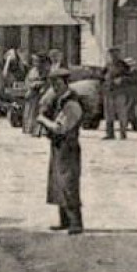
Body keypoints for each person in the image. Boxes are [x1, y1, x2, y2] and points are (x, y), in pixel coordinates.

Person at [37, 68, 86, 233]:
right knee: (58, 182)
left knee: (69, 183)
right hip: (59, 146)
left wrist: (42, 119)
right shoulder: (59, 100)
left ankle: (76, 223)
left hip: (68, 147)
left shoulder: (71, 103)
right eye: (53, 84)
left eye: (57, 83)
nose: (55, 87)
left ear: (66, 83)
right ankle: (64, 220)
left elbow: (60, 128)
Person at [102, 46, 134, 140]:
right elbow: (102, 75)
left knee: (122, 114)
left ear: (119, 54)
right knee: (108, 114)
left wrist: (122, 79)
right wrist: (105, 82)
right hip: (108, 92)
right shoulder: (108, 65)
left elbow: (131, 78)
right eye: (111, 53)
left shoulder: (124, 65)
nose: (113, 55)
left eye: (115, 53)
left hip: (120, 92)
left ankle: (123, 133)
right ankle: (110, 133)